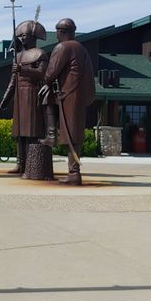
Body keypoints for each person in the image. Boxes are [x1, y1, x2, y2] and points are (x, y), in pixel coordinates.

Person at [39, 18, 95, 185]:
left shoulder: (62, 47)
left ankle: (73, 173)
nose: (56, 36)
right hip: (78, 95)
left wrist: (47, 82)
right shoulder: (82, 48)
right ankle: (73, 171)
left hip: (68, 95)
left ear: (62, 32)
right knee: (74, 132)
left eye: (57, 32)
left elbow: (50, 73)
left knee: (71, 134)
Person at [0, 20, 49, 176]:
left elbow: (42, 73)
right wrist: (6, 97)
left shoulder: (40, 54)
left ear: (33, 36)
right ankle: (20, 163)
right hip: (19, 98)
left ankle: (31, 163)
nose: (22, 38)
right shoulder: (17, 56)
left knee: (31, 131)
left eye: (25, 35)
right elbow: (13, 80)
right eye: (19, 35)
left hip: (32, 94)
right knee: (19, 132)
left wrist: (23, 69)